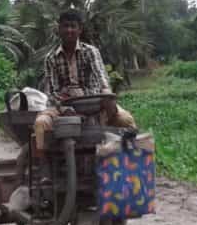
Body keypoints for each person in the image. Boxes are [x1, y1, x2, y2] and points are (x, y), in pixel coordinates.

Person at [34, 9, 137, 153]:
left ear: (80, 29)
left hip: (94, 104)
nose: (69, 30)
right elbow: (52, 91)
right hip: (63, 106)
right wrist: (66, 110)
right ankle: (44, 163)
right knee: (41, 123)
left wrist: (107, 96)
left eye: (73, 26)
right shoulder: (51, 58)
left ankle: (130, 159)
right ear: (59, 29)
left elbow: (102, 78)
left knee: (126, 120)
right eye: (65, 26)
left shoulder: (90, 51)